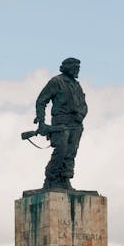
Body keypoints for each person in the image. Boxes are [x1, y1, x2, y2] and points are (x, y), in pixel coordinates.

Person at [34, 57, 87, 190]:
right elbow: (41, 101)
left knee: (71, 154)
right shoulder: (56, 82)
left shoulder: (77, 85)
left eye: (78, 68)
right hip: (60, 123)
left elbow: (83, 104)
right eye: (75, 68)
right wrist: (41, 122)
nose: (77, 70)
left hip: (76, 124)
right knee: (61, 151)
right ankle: (51, 179)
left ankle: (65, 179)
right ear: (68, 68)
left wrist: (81, 115)